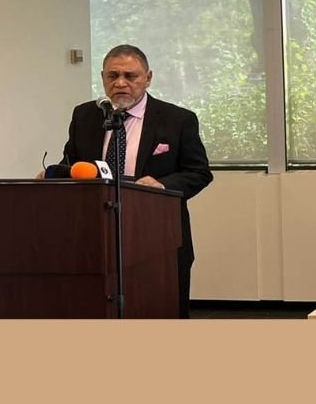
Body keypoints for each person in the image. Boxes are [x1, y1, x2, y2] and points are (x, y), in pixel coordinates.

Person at [57, 44, 213, 317]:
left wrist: (162, 186)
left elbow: (199, 172)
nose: (120, 83)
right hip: (95, 233)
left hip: (158, 235)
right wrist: (53, 175)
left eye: (130, 76)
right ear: (102, 77)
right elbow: (72, 165)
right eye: (112, 76)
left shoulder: (177, 120)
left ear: (148, 78)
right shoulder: (85, 115)